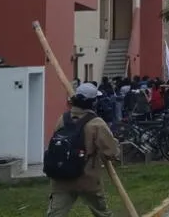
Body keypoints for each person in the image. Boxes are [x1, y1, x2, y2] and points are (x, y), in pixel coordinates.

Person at [45, 83, 119, 217]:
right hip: (87, 179)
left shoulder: (62, 119)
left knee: (55, 214)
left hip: (61, 178)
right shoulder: (96, 123)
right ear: (93, 102)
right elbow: (111, 152)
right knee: (102, 213)